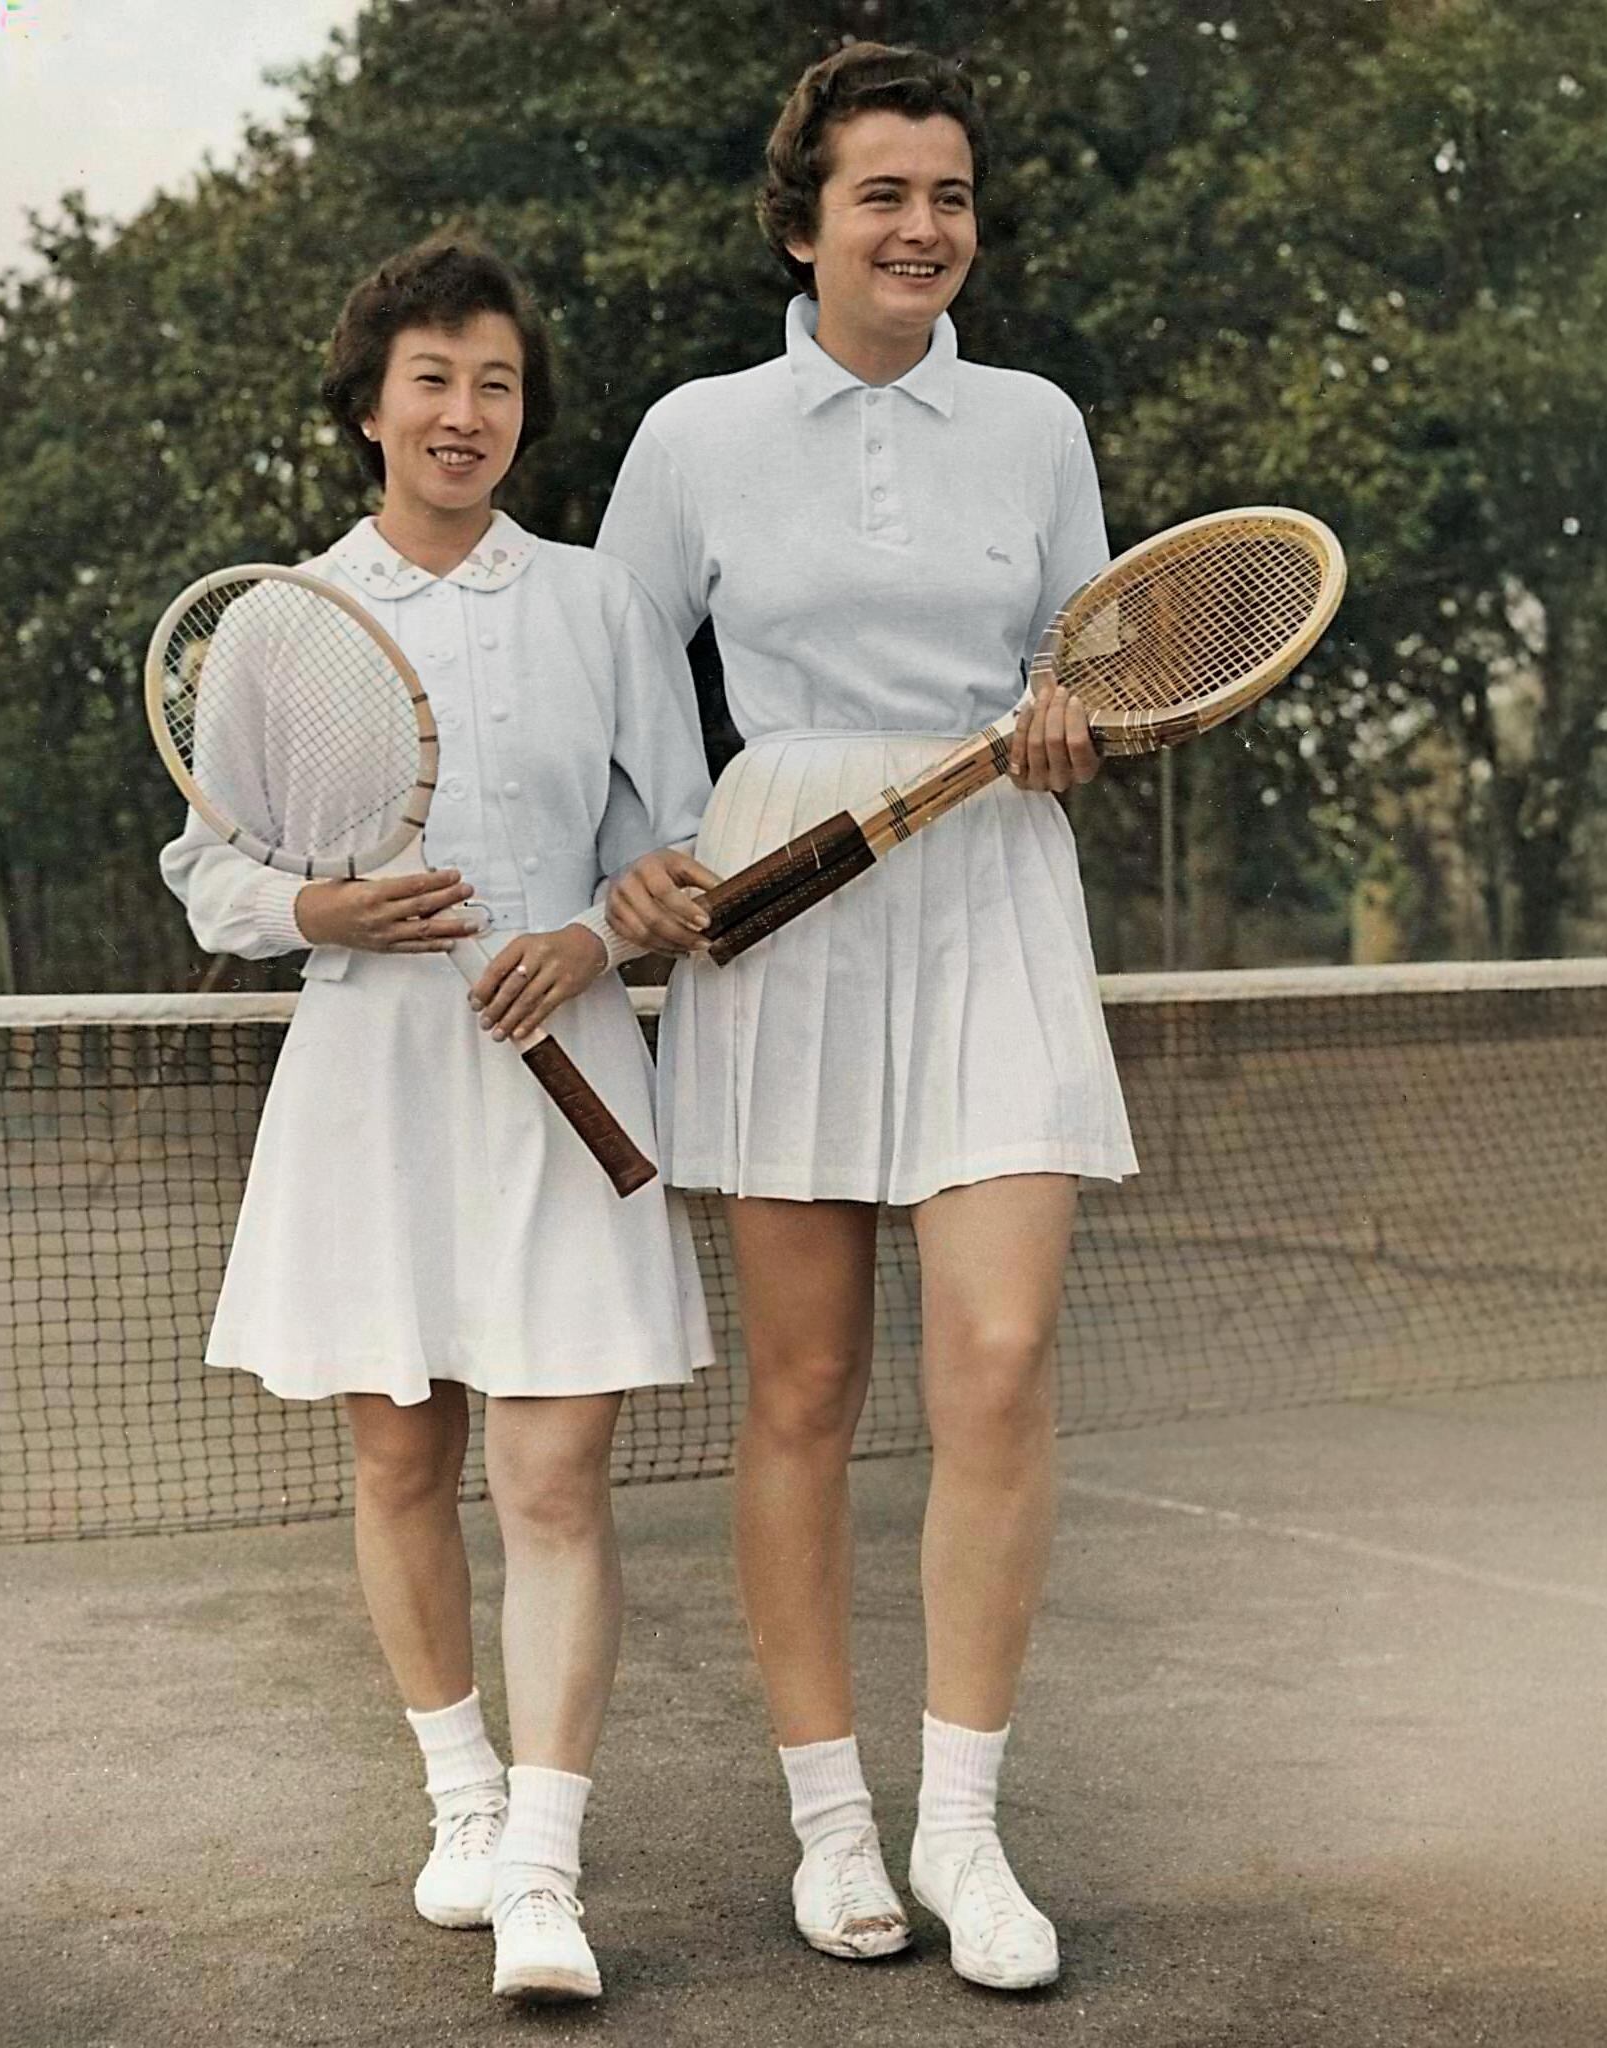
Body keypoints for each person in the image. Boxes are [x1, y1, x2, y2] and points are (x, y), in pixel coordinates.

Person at [597, 43, 1137, 1992]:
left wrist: (1075, 725)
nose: (925, 227)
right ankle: (834, 1826)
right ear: (802, 220)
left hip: (989, 889)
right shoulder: (697, 431)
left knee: (994, 1361)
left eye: (951, 196)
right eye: (885, 195)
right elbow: (620, 674)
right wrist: (644, 857)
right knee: (807, 1394)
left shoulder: (1035, 422)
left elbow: (1092, 665)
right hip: (784, 907)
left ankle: (964, 1834)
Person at [161, 234, 713, 2006]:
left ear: (522, 411)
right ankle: (460, 1802)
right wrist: (319, 914)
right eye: (433, 380)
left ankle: (546, 1869)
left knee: (552, 1474)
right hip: (373, 1078)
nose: (466, 412)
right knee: (401, 1457)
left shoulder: (596, 606)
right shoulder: (278, 623)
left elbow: (676, 849)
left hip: (565, 1080)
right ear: (370, 406)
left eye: (496, 383)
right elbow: (208, 871)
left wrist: (592, 934)